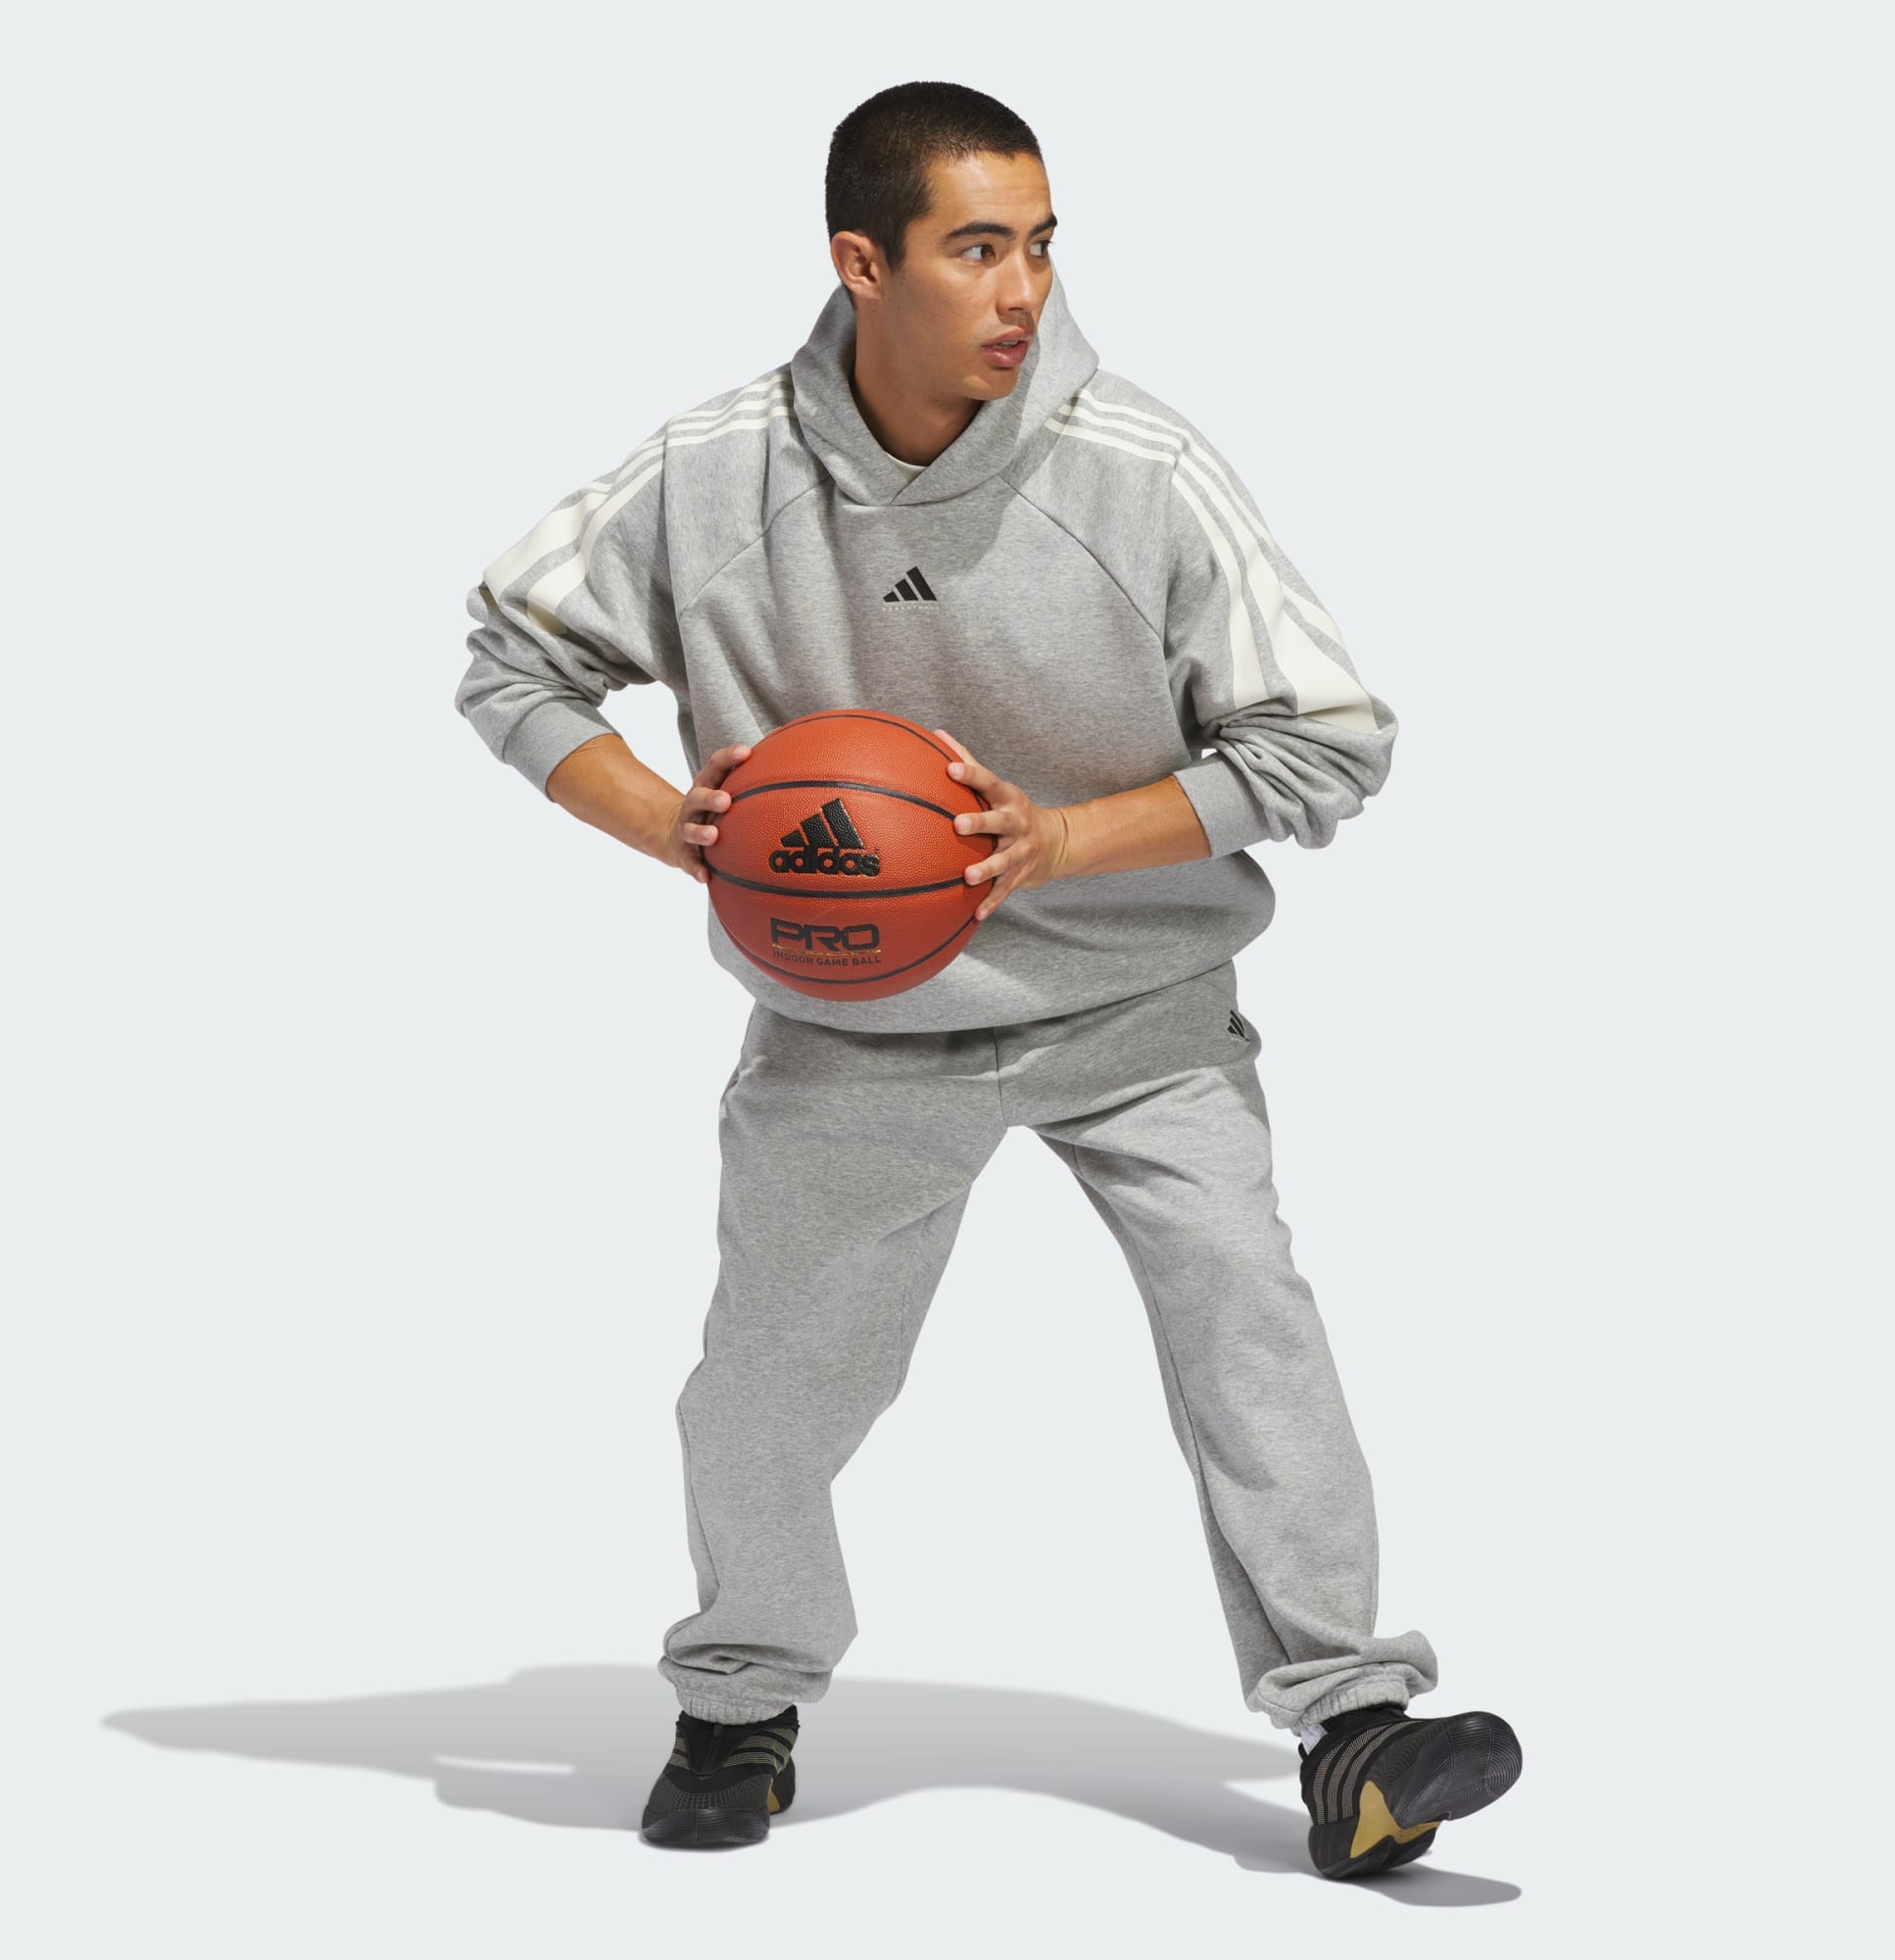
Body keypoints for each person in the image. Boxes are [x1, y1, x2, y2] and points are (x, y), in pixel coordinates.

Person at [453, 79, 1521, 1879]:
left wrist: (1059, 840)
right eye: (973, 248)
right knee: (771, 1381)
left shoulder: (1142, 470)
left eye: (1038, 244)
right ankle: (737, 1703)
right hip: (856, 1023)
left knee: (1249, 1325)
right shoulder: (713, 475)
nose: (1021, 287)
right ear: (861, 264)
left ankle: (1356, 1728)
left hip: (1140, 1010)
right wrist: (671, 822)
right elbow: (510, 653)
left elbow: (1331, 742)